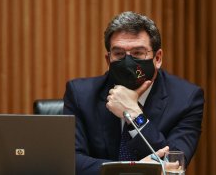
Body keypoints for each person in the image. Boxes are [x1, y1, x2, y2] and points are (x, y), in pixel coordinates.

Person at [63, 11, 204, 175]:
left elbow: (173, 164)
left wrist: (134, 114)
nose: (128, 63)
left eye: (138, 53)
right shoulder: (81, 95)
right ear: (108, 61)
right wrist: (131, 170)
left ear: (157, 58)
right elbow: (70, 161)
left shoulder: (186, 98)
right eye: (119, 54)